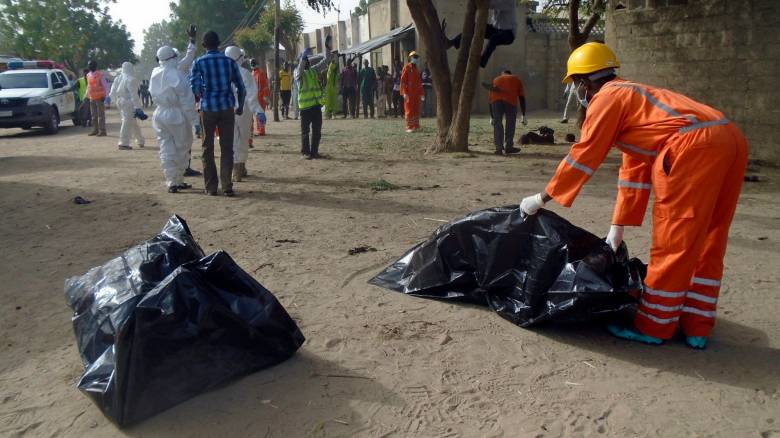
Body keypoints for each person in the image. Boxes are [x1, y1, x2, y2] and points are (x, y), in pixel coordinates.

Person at [518, 42, 748, 349]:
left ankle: (654, 326)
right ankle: (697, 325)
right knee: (711, 235)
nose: (578, 92)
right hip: (729, 137)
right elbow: (634, 171)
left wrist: (542, 198)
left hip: (693, 147)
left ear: (584, 82)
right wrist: (617, 228)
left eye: (576, 85)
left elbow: (584, 155)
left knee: (675, 240)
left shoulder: (607, 98)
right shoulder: (635, 100)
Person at [189, 30, 246, 197]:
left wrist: (203, 94)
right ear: (219, 44)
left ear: (204, 45)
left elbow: (195, 87)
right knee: (227, 148)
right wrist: (240, 106)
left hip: (208, 109)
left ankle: (211, 187)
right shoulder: (229, 62)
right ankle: (227, 185)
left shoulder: (198, 62)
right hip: (227, 108)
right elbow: (241, 87)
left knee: (207, 148)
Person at [150, 46, 197, 193]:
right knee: (182, 147)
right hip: (175, 114)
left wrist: (191, 45)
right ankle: (178, 178)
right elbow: (187, 101)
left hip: (159, 114)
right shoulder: (176, 74)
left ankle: (172, 180)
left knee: (166, 147)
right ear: (173, 57)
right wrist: (195, 121)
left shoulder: (155, 72)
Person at [224, 46, 262, 182]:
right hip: (243, 109)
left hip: (227, 110)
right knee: (244, 137)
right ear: (239, 58)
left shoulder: (222, 72)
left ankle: (236, 170)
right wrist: (258, 111)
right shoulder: (245, 73)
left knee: (232, 139)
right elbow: (251, 96)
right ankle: (240, 167)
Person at [446, 0, 517, 68]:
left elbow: (490, 4)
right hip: (495, 28)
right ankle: (453, 42)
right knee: (475, 27)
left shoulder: (510, 1)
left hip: (509, 33)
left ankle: (483, 61)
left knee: (494, 39)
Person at [296, 40, 336, 159]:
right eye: (305, 59)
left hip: (316, 106)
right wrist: (303, 57)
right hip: (305, 108)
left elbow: (326, 61)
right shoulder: (298, 73)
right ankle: (305, 153)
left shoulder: (313, 70)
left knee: (317, 132)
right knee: (305, 132)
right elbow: (299, 70)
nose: (307, 61)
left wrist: (327, 48)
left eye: (307, 59)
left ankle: (314, 152)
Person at [485, 69, 526, 155]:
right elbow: (521, 98)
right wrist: (523, 114)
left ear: (502, 74)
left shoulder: (496, 79)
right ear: (510, 74)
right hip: (510, 101)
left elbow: (490, 100)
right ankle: (508, 146)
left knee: (498, 124)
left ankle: (499, 148)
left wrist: (492, 116)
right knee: (510, 123)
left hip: (496, 102)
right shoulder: (516, 79)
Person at [109, 62, 146, 150]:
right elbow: (134, 95)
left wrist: (114, 101)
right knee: (127, 122)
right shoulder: (131, 79)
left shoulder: (118, 78)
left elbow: (112, 92)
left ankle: (140, 140)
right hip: (128, 103)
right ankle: (123, 143)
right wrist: (138, 107)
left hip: (120, 101)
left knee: (132, 122)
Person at [400, 52, 423, 133]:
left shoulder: (416, 69)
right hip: (409, 92)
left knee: (416, 109)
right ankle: (409, 126)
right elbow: (403, 81)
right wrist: (404, 93)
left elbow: (419, 82)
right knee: (409, 109)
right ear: (410, 58)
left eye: (416, 57)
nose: (415, 58)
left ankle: (416, 125)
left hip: (416, 93)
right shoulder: (406, 67)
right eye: (414, 57)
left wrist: (421, 93)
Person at [86, 60, 109, 136]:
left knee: (100, 115)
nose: (89, 66)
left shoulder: (100, 75)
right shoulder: (88, 75)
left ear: (95, 66)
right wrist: (87, 96)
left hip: (100, 97)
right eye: (89, 65)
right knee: (93, 115)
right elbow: (89, 86)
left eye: (91, 65)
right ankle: (95, 130)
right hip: (92, 97)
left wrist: (105, 96)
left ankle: (102, 131)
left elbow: (105, 86)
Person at [251, 58, 270, 135]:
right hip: (256, 97)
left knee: (260, 114)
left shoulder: (259, 73)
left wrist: (265, 96)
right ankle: (260, 130)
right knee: (258, 114)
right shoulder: (254, 73)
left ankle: (261, 130)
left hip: (260, 97)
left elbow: (265, 86)